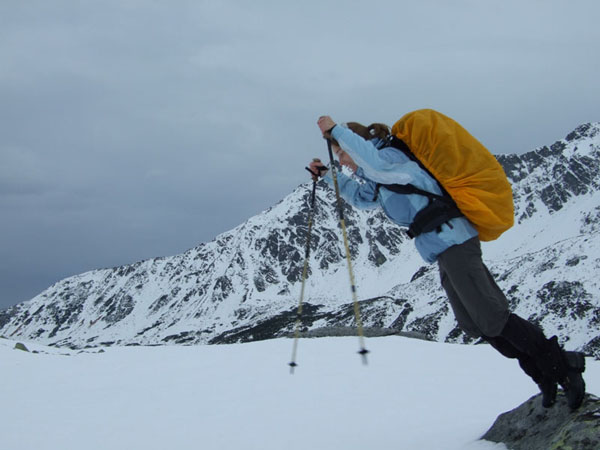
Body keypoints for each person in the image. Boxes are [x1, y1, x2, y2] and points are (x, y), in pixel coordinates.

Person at [310, 114, 587, 410]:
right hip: (442, 248)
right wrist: (329, 176)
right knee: (475, 324)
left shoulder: (390, 160)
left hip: (454, 241)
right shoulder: (378, 179)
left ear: (356, 146)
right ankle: (543, 374)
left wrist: (336, 131)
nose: (343, 162)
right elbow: (362, 197)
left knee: (492, 316)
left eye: (342, 154)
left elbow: (373, 163)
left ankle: (562, 368)